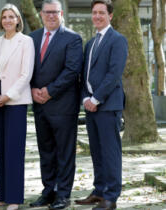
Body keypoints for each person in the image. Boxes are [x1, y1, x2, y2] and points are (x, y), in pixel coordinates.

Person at [28, 0, 83, 209]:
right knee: (46, 151)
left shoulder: (72, 38)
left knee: (65, 152)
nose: (51, 16)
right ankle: (48, 192)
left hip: (63, 105)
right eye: (47, 12)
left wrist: (49, 91)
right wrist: (32, 88)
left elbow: (72, 70)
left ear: (61, 14)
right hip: (39, 105)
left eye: (55, 12)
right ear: (41, 14)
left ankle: (63, 195)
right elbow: (26, 68)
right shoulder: (31, 38)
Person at [75, 1, 128, 209]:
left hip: (107, 105)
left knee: (110, 152)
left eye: (101, 13)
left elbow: (113, 74)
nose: (97, 16)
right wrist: (85, 99)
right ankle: (99, 191)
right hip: (91, 106)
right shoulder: (90, 43)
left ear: (110, 16)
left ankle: (111, 196)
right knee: (96, 151)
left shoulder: (118, 40)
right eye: (94, 13)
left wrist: (95, 99)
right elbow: (84, 76)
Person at [0, 4, 34, 210]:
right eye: (4, 16)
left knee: (14, 149)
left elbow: (26, 74)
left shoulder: (26, 41)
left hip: (15, 98)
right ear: (1, 20)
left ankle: (14, 197)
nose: (7, 20)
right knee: (0, 147)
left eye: (11, 16)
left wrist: (7, 96)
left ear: (18, 20)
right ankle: (3, 194)